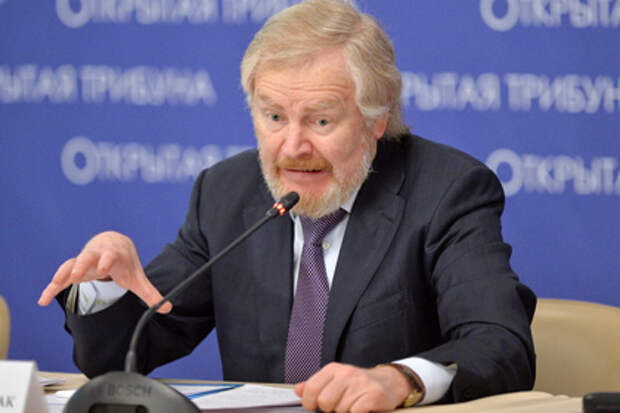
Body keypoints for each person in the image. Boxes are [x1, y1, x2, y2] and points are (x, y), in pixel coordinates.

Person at [38, 0, 536, 411]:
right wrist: (105, 288)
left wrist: (399, 380)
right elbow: (126, 353)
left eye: (320, 121)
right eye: (274, 117)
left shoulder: (447, 191)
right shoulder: (226, 192)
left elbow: (500, 344)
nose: (293, 147)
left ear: (377, 118)